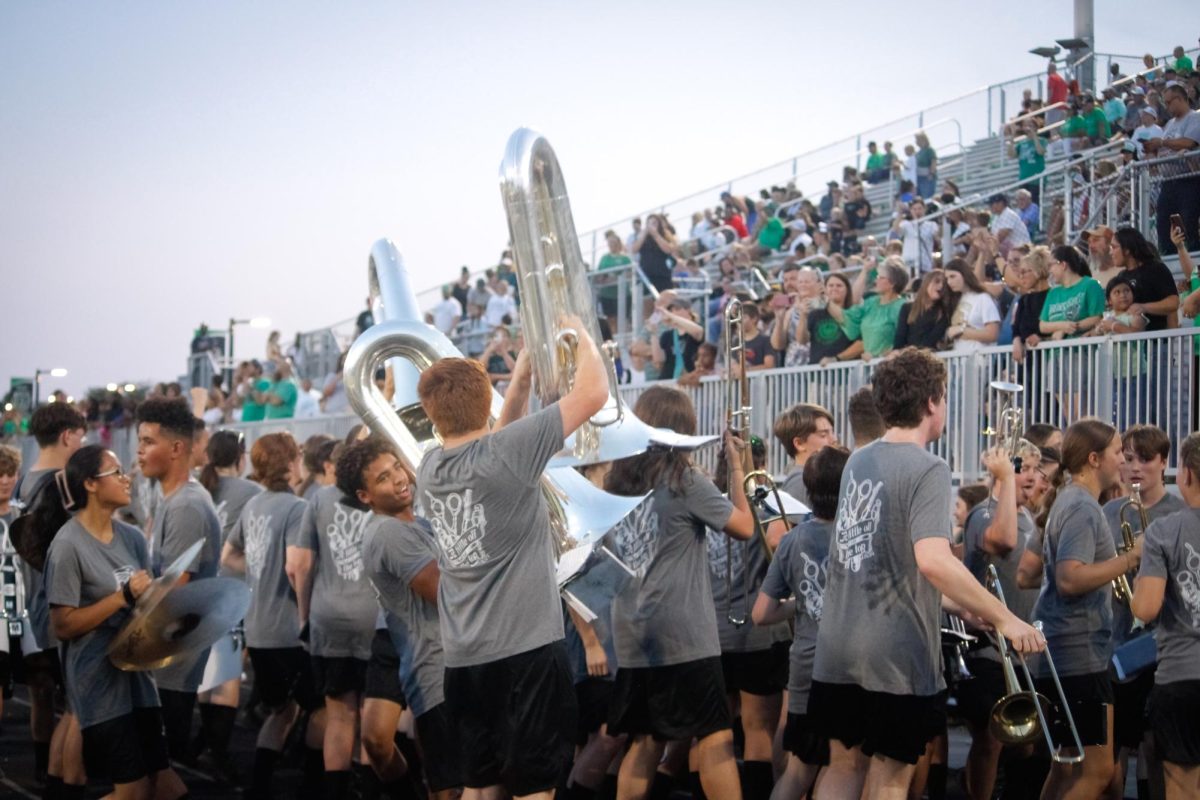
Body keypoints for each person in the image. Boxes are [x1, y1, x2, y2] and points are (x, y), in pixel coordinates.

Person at [807, 349, 1043, 800]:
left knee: (842, 768)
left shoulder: (859, 460)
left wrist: (965, 605)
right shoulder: (928, 467)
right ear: (933, 401)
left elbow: (888, 562)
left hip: (838, 646)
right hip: (892, 657)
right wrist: (1003, 617)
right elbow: (933, 560)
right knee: (890, 778)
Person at [414, 315, 607, 799]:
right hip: (525, 653)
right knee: (534, 789)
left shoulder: (429, 467)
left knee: (481, 788)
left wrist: (519, 381)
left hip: (463, 659)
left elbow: (493, 441)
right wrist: (581, 331)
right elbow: (593, 394)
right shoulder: (506, 454)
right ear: (485, 401)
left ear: (430, 412)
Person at [604, 386, 754, 800]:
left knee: (646, 741)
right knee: (715, 738)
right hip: (682, 634)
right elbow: (743, 527)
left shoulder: (616, 482)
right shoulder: (683, 478)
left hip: (633, 632)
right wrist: (738, 471)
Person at [43, 445, 189, 800]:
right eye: (117, 472)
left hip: (139, 680)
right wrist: (121, 597)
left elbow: (144, 604)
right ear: (91, 484)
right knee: (133, 790)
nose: (128, 478)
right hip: (98, 683)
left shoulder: (133, 538)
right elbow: (62, 626)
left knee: (165, 784)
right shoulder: (67, 546)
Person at [346, 437, 464, 799]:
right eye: (383, 477)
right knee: (454, 788)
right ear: (365, 496)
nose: (399, 478)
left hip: (447, 666)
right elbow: (448, 594)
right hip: (436, 671)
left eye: (397, 467)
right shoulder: (390, 533)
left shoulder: (420, 525)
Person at [1034, 420, 1137, 798]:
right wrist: (1130, 559)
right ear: (1094, 459)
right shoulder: (1081, 507)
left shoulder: (1074, 501)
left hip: (1066, 652)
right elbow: (1070, 578)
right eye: (1116, 452)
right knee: (1097, 771)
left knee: (1067, 767)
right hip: (1078, 654)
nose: (1123, 459)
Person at [221, 433, 319, 799]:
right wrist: (309, 612)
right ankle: (315, 784)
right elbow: (297, 568)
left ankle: (258, 786)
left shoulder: (254, 505)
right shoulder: (295, 508)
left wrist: (259, 569)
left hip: (258, 627)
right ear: (291, 462)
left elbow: (227, 556)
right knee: (321, 708)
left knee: (282, 710)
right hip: (287, 629)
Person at [752, 445, 850, 800]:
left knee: (799, 772)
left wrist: (805, 604)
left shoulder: (792, 540)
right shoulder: (856, 539)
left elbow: (761, 614)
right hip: (847, 668)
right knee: (846, 768)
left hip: (805, 665)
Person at [136, 398, 223, 762]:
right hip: (170, 653)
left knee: (161, 766)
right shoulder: (173, 498)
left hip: (173, 655)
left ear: (176, 449)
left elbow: (175, 590)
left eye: (147, 442)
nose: (139, 452)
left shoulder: (186, 505)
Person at [956, 442, 1044, 800]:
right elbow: (1003, 540)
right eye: (1023, 467)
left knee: (1024, 744)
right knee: (990, 740)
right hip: (989, 650)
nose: (1033, 477)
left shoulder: (1028, 517)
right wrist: (1005, 479)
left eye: (1037, 470)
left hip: (1023, 650)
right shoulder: (985, 513)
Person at [293, 443, 380, 796]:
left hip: (329, 617)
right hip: (375, 619)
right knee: (372, 716)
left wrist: (305, 617)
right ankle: (370, 790)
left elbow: (300, 564)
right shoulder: (380, 495)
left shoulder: (319, 499)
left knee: (339, 716)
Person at [13, 403, 87, 790]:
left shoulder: (23, 483)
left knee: (43, 696)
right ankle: (60, 778)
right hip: (57, 609)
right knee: (76, 709)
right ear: (66, 436)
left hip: (30, 610)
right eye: (81, 435)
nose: (83, 443)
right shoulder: (61, 485)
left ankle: (44, 769)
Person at [1131, 431, 1200, 800]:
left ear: (1185, 473)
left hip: (1182, 677)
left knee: (1183, 788)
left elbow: (1145, 608)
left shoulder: (1165, 530)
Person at [1145, 83, 1200, 255]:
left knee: (1187, 223)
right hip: (1169, 182)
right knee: (1164, 223)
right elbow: (1166, 148)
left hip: (1189, 180)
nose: (1166, 107)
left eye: (1169, 103)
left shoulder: (1195, 118)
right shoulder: (1169, 124)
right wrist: (1154, 149)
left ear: (1180, 99)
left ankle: (1191, 262)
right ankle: (1168, 258)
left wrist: (1161, 143)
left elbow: (1189, 142)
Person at [827, 259, 908, 360]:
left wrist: (878, 357)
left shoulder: (902, 306)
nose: (876, 280)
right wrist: (865, 270)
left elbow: (902, 341)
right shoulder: (871, 302)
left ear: (892, 283)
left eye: (880, 278)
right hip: (868, 366)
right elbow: (853, 302)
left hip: (890, 366)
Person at [1110, 227, 1181, 332]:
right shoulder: (1121, 276)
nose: (1111, 253)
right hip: (1131, 345)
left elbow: (1173, 302)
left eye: (1114, 247)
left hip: (1156, 341)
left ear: (1127, 250)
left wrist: (1144, 307)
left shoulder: (1156, 269)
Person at [773, 403, 836, 508]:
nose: (834, 439)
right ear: (799, 444)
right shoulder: (799, 484)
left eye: (832, 432)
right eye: (823, 435)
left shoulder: (816, 477)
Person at [1040, 245, 1105, 340]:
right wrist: (1062, 326)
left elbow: (1097, 317)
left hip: (1081, 350)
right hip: (1055, 353)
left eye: (1050, 265)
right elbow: (1043, 326)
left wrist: (1066, 329)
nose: (1049, 270)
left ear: (1063, 265)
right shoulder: (1053, 293)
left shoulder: (1090, 285)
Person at [944, 260, 1002, 351]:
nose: (949, 282)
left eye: (952, 276)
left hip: (980, 358)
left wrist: (962, 331)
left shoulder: (983, 298)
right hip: (960, 359)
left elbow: (993, 334)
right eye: (947, 278)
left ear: (964, 274)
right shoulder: (957, 300)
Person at [893, 270, 951, 351]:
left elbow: (931, 340)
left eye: (944, 284)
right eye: (937, 281)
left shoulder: (943, 313)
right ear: (926, 283)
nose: (941, 286)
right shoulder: (907, 308)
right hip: (907, 357)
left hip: (928, 357)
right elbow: (900, 337)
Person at [652, 297, 704, 380]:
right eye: (671, 310)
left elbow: (698, 332)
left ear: (688, 310)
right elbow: (659, 360)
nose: (674, 312)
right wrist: (653, 332)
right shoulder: (667, 335)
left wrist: (670, 316)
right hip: (669, 380)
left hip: (690, 379)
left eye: (677, 309)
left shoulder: (697, 328)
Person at [631, 214, 678, 293]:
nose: (651, 225)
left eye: (654, 223)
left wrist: (656, 235)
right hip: (647, 276)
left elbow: (668, 250)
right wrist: (643, 234)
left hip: (663, 275)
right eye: (649, 223)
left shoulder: (665, 235)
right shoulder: (642, 237)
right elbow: (634, 250)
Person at [895, 198, 937, 273]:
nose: (917, 211)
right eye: (914, 209)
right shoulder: (906, 224)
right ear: (911, 211)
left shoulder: (931, 225)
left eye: (920, 209)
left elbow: (937, 237)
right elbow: (896, 229)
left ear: (924, 209)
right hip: (910, 264)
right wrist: (900, 213)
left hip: (925, 263)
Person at [914, 131, 938, 199]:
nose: (916, 141)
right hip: (919, 178)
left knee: (927, 198)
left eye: (917, 139)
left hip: (927, 177)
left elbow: (933, 161)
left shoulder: (929, 150)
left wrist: (931, 173)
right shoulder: (918, 153)